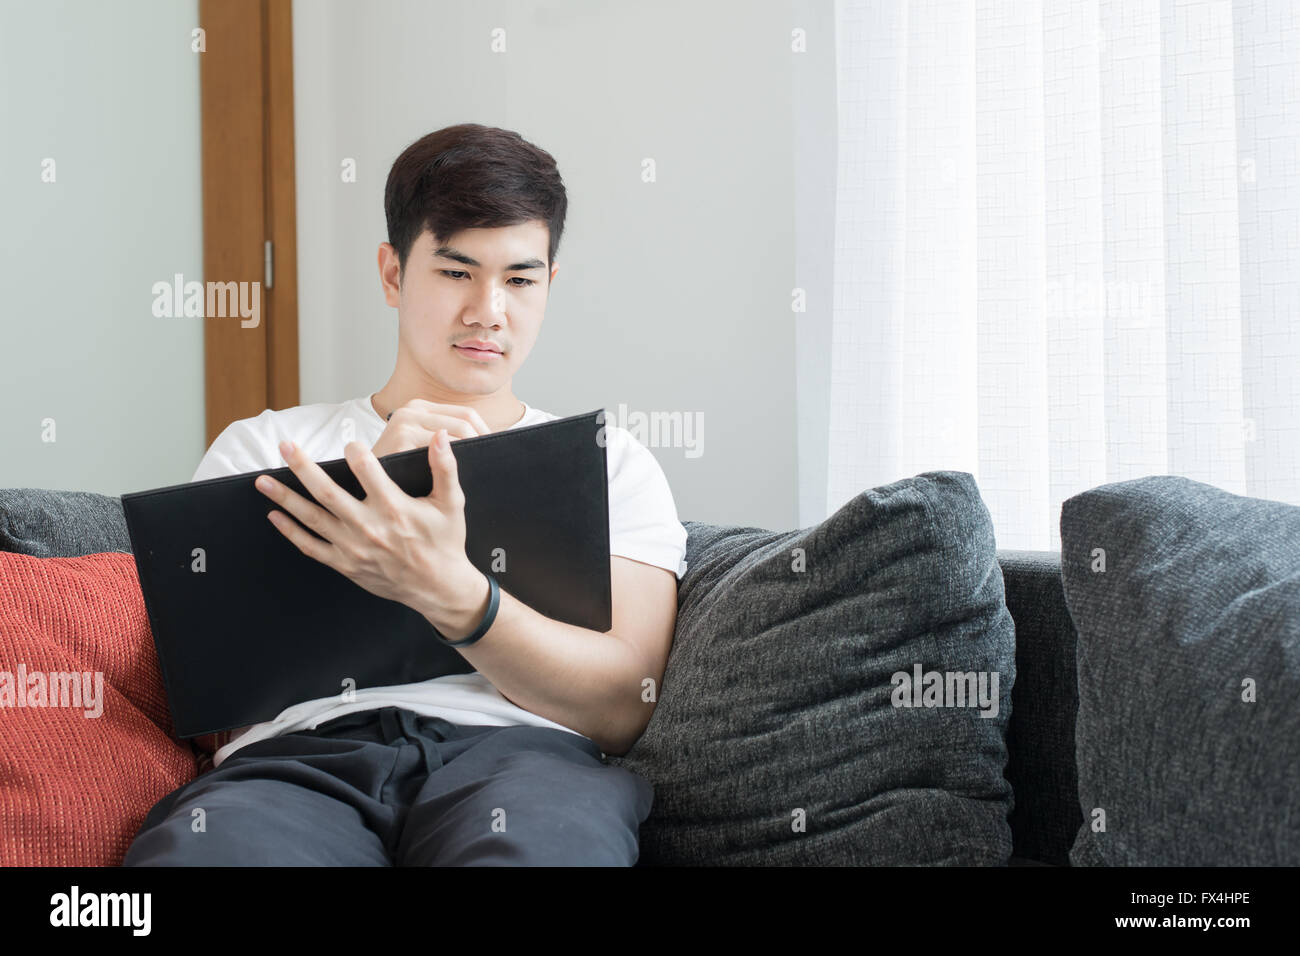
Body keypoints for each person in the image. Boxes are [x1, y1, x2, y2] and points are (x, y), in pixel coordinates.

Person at [123, 124, 687, 866]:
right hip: (300, 767)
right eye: (456, 272)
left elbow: (622, 707)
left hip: (522, 762)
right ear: (393, 274)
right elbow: (209, 702)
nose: (489, 310)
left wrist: (458, 596)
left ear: (550, 282)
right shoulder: (263, 448)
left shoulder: (611, 463)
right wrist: (368, 493)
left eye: (520, 279)